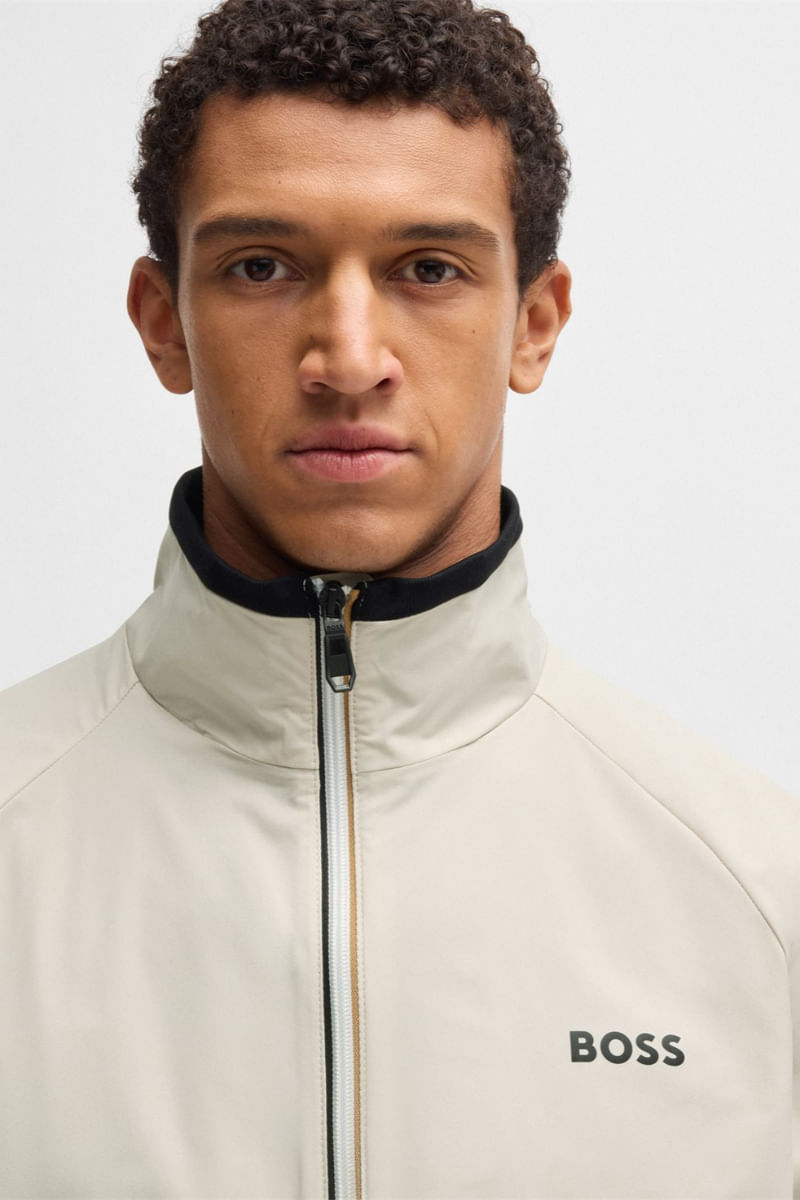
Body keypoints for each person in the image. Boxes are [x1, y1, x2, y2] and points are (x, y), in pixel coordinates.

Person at [0, 0, 797, 1196]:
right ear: (165, 325)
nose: (347, 358)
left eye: (428, 269)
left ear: (532, 324)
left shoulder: (760, 893)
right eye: (261, 267)